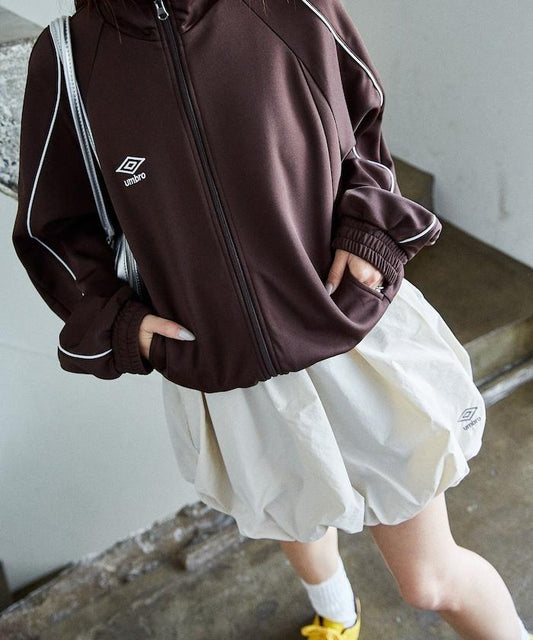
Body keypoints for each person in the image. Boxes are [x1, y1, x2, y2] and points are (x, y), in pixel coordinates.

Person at [12, 0, 530, 637]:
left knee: (429, 580)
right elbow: (52, 227)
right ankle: (337, 613)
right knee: (295, 518)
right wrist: (122, 325)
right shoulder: (69, 58)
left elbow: (362, 117)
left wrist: (369, 234)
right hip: (230, 374)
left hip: (348, 338)